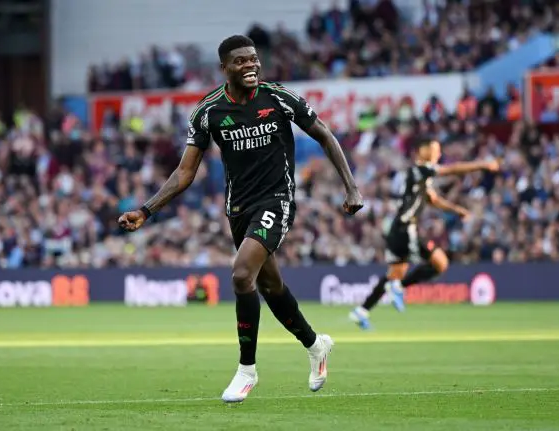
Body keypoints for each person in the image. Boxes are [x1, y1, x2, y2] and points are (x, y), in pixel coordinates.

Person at [118, 35, 364, 403]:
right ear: (225, 68)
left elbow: (325, 135)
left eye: (254, 59)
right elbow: (185, 173)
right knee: (271, 287)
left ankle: (247, 370)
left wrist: (351, 188)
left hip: (277, 200)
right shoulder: (209, 111)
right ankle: (316, 346)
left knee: (240, 274)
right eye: (241, 61)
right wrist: (146, 209)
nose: (250, 65)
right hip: (239, 210)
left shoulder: (280, 98)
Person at [349, 139, 500, 330]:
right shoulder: (419, 170)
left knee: (394, 273)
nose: (438, 154)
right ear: (423, 150)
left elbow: (434, 200)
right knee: (440, 262)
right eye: (435, 150)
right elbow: (452, 169)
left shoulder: (419, 177)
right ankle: (399, 286)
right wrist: (483, 164)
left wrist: (457, 210)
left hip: (397, 230)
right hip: (406, 229)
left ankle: (362, 311)